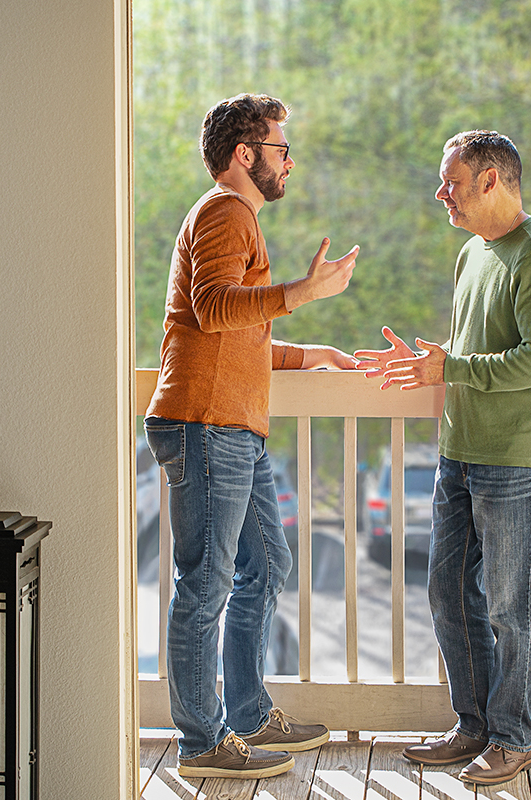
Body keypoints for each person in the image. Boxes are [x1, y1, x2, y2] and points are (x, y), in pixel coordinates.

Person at [144, 93, 358, 780]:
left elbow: (238, 331)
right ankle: (202, 743)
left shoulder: (236, 220)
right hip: (205, 427)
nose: (288, 162)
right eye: (280, 149)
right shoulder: (224, 212)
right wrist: (300, 291)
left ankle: (246, 712)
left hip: (233, 427)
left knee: (266, 566)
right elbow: (211, 309)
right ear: (246, 155)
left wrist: (309, 352)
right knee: (205, 584)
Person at [355, 130, 531, 786]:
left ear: (492, 180)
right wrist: (431, 362)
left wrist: (455, 365)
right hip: (457, 456)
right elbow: (473, 349)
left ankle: (513, 738)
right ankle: (472, 726)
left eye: (453, 183)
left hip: (513, 462)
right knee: (445, 591)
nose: (443, 194)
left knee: (511, 608)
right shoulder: (472, 254)